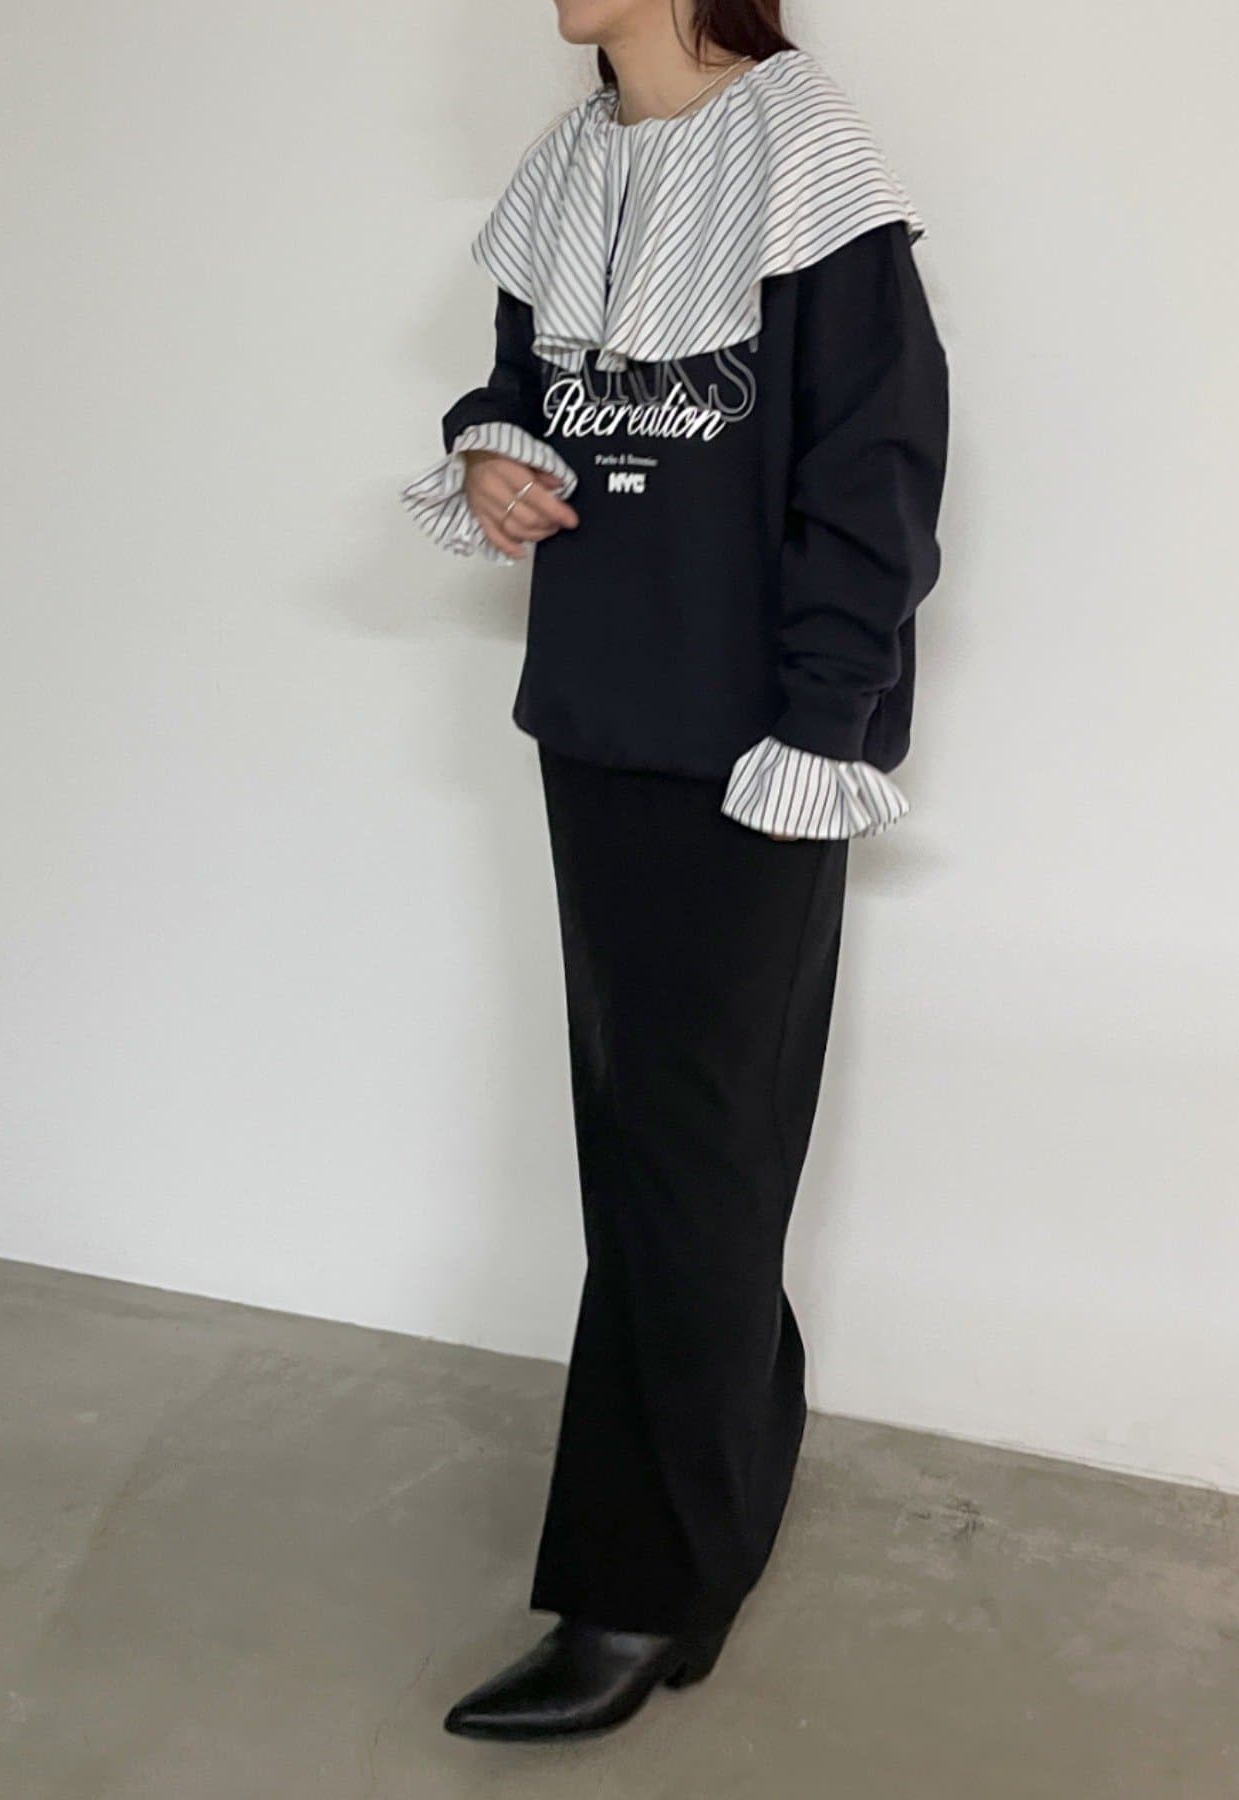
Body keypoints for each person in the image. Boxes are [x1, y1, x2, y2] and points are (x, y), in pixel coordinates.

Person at [401, 0, 949, 1742]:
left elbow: (878, 470)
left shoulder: (805, 150)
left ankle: (640, 1586)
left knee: (695, 1160)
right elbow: (523, 384)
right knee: (651, 1147)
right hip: (597, 720)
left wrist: (826, 723)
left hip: (755, 752)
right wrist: (496, 448)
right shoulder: (572, 162)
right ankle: (722, 1488)